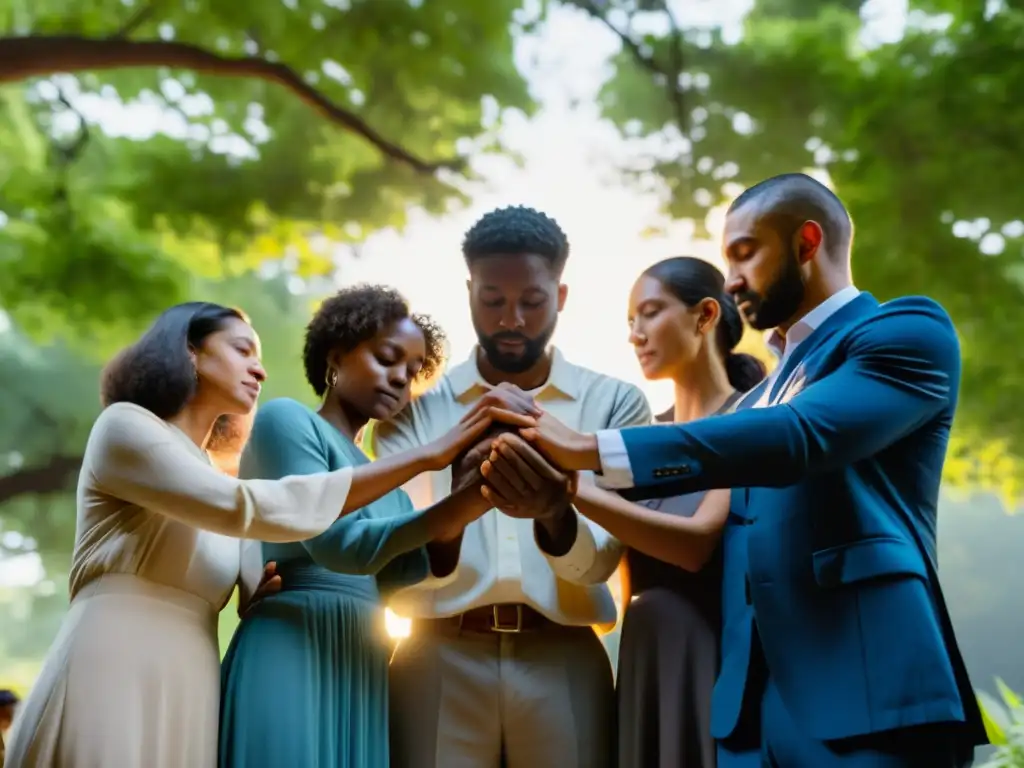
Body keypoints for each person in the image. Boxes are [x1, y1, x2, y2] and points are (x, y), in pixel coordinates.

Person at [495, 174, 988, 767]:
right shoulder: (755, 401)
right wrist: (554, 481)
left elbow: (800, 436)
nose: (730, 280)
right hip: (747, 719)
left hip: (870, 693)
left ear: (807, 243)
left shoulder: (904, 334)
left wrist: (585, 448)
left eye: (744, 253)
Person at [3, 302, 510, 768]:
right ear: (190, 351)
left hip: (196, 667)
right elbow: (249, 510)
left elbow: (395, 570)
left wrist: (471, 490)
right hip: (116, 649)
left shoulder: (217, 475)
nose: (261, 369)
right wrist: (431, 456)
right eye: (242, 349)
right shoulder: (125, 428)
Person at [368, 206, 651, 768]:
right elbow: (395, 552)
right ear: (469, 291)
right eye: (493, 300)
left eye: (532, 301)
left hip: (565, 655)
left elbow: (602, 560)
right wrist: (460, 500)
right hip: (435, 655)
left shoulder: (618, 403)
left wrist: (555, 512)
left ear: (562, 295)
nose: (511, 319)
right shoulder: (412, 411)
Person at [219, 286, 495, 768]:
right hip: (291, 643)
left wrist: (470, 489)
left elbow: (409, 575)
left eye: (411, 374)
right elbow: (334, 545)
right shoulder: (288, 421)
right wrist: (440, 465)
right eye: (387, 358)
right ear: (337, 354)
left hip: (363, 658)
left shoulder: (392, 487)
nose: (399, 380)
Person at [614, 257, 765, 767]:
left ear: (704, 316)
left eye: (650, 313)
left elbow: (696, 543)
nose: (635, 334)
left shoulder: (752, 418)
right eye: (630, 321)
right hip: (642, 655)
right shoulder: (635, 438)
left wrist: (569, 489)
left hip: (714, 656)